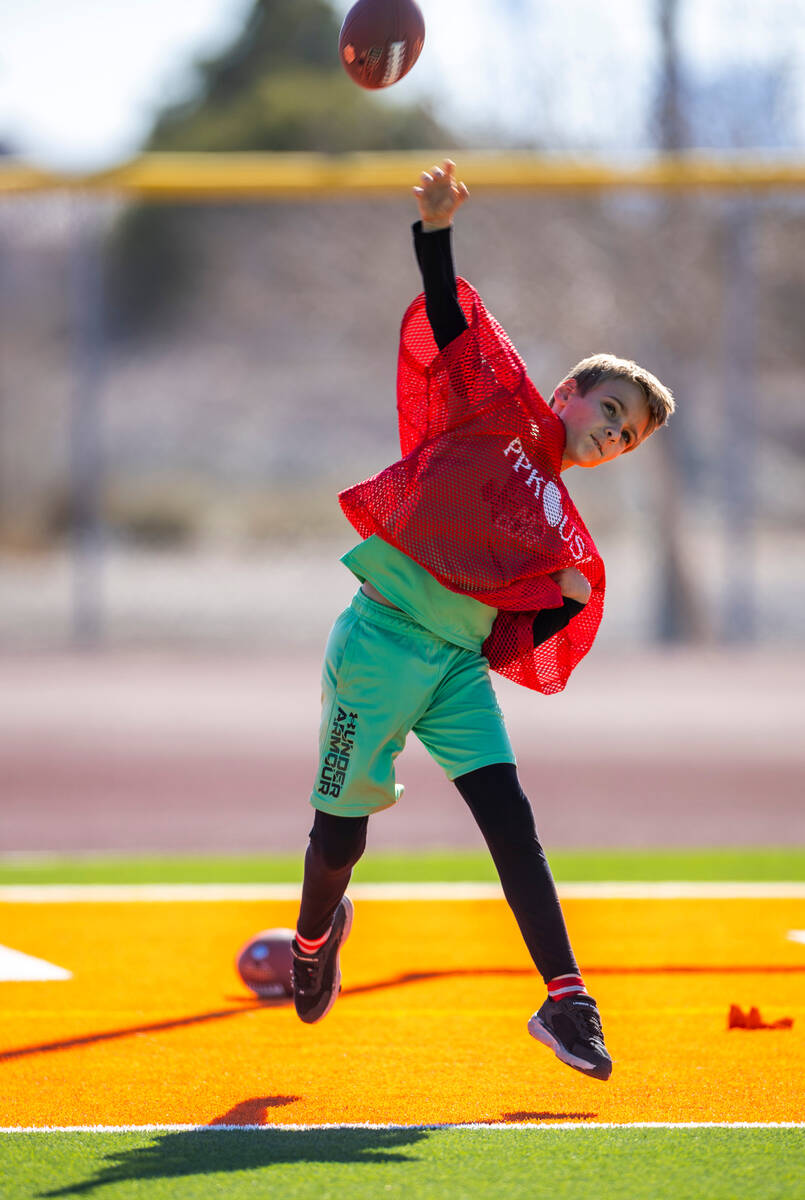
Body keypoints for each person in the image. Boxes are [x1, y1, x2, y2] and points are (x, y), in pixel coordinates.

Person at [290, 160, 675, 1083]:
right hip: (380, 643)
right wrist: (433, 232)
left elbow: (513, 640)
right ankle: (312, 941)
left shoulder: (567, 536)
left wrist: (557, 603)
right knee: (338, 837)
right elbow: (453, 322)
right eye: (609, 410)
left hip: (454, 667)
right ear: (568, 391)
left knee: (512, 825)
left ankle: (566, 1000)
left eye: (625, 437)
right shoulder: (498, 402)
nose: (611, 434)